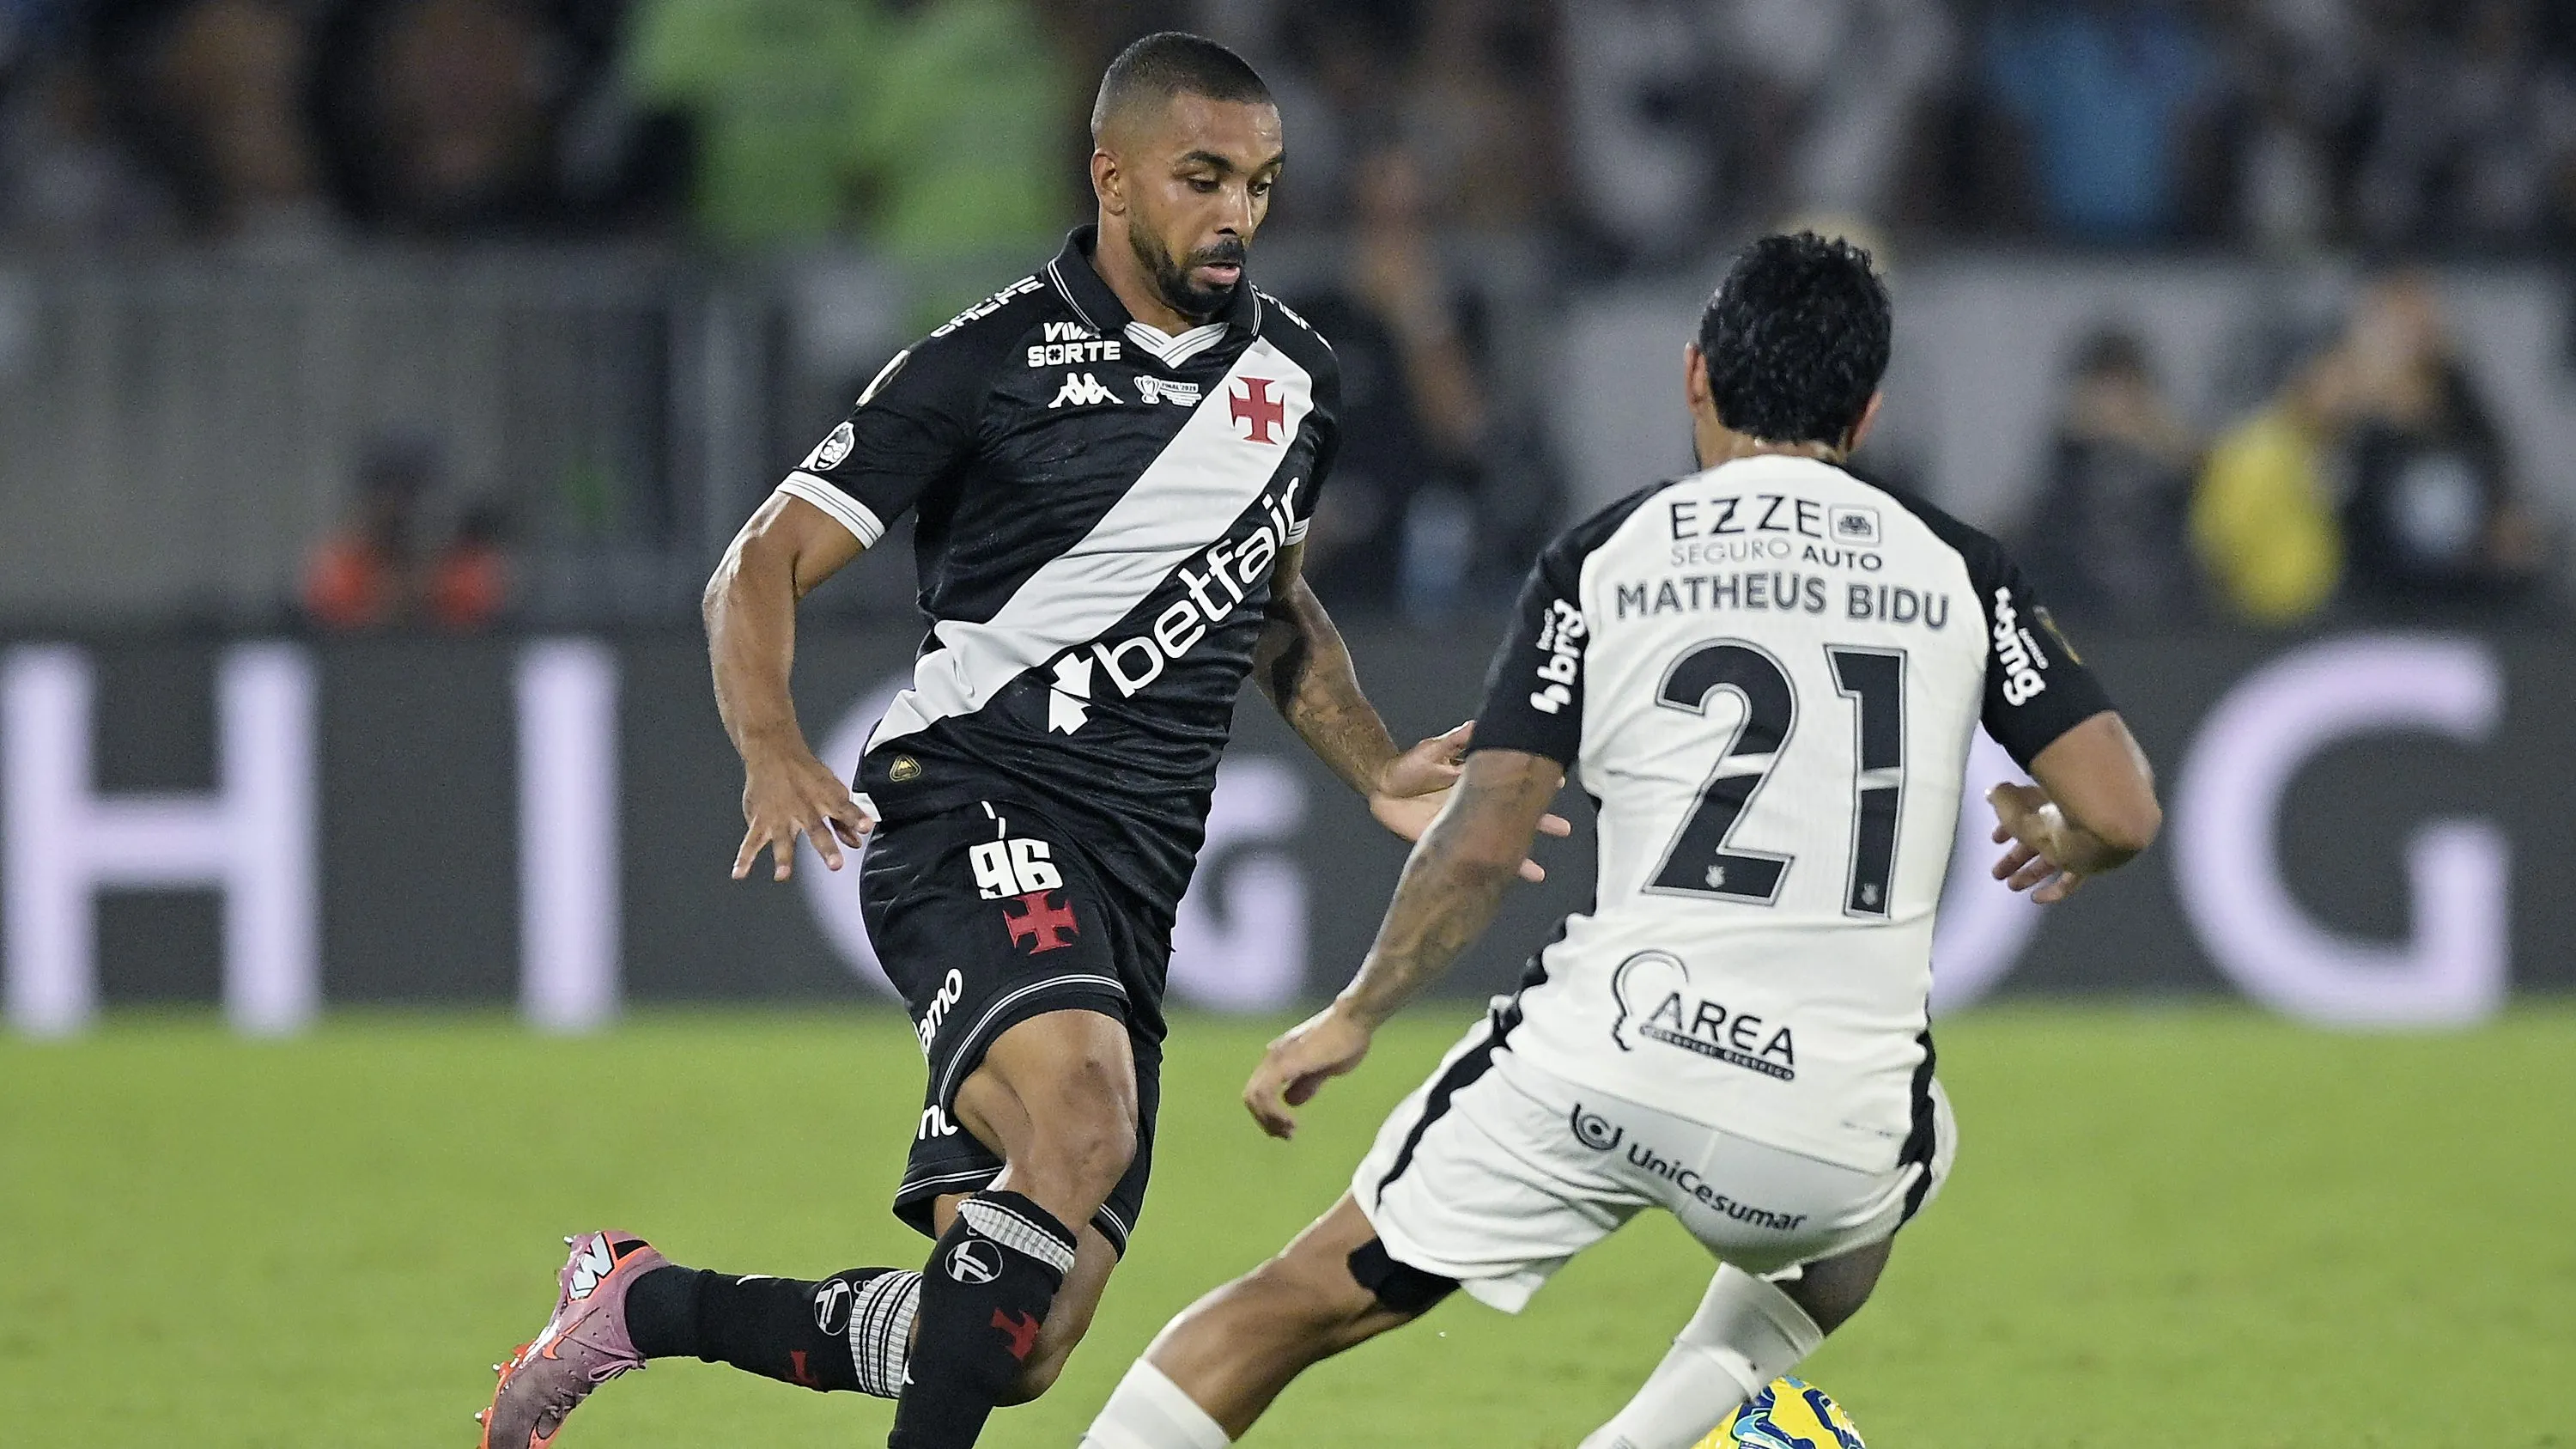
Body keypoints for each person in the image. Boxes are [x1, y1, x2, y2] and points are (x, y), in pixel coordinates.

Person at [475, 33, 1564, 1449]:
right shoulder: (985, 362)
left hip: (1133, 883)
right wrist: (773, 741)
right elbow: (759, 561)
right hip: (971, 802)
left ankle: (640, 1305)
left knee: (1017, 1338)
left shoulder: (1295, 380)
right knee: (1083, 1120)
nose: (1237, 213)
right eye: (1203, 177)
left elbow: (1275, 612)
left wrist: (1376, 767)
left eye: (1262, 184)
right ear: (1112, 178)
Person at [1078, 233, 2164, 1449]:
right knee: (1910, 1146)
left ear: (1695, 376)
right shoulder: (1961, 569)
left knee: (1294, 1305)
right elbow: (2122, 809)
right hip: (1824, 1133)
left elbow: (1482, 845)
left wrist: (1358, 1012)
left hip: (1607, 1058)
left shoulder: (1605, 557)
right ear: (1867, 410)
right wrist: (2065, 839)